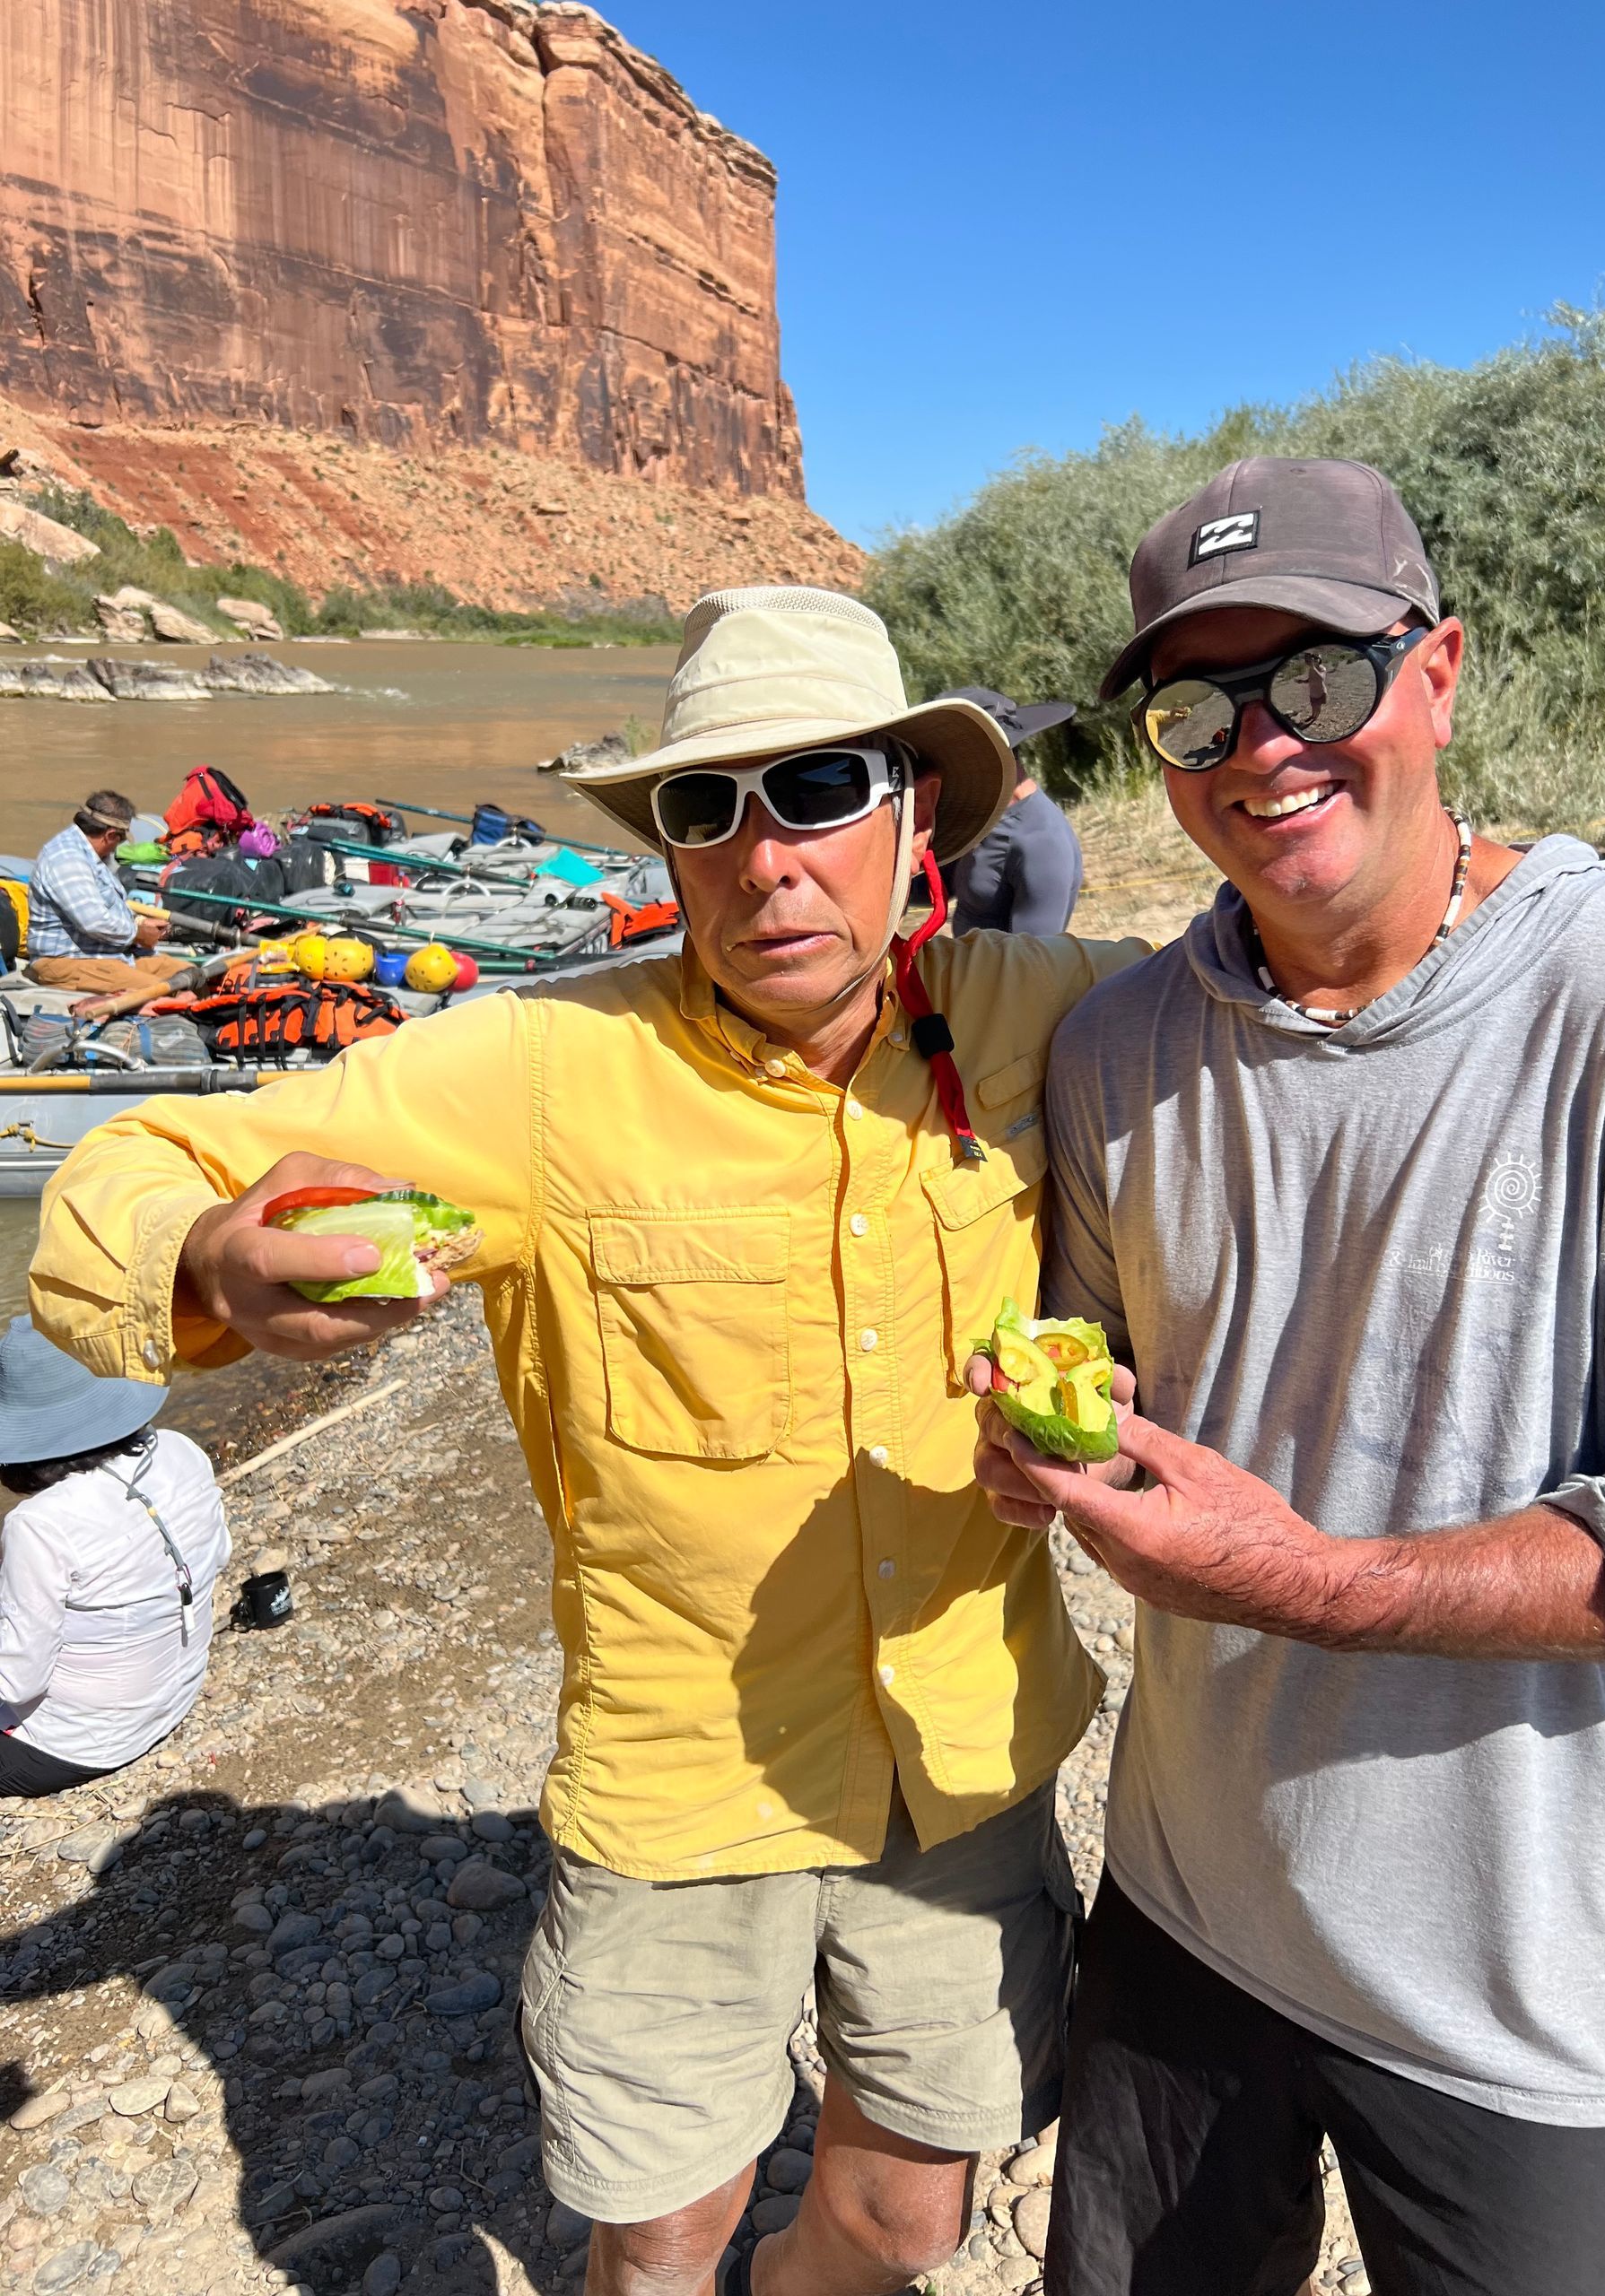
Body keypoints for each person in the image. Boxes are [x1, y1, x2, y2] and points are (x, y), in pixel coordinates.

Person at [30, 586, 1146, 2296]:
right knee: (661, 2232)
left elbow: (1294, 1014)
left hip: (971, 1763)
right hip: (678, 1779)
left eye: (823, 790)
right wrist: (211, 1261)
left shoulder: (1048, 1015)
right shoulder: (545, 1070)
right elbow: (145, 1158)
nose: (767, 858)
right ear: (671, 849)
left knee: (912, 2215)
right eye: (708, 807)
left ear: (918, 814)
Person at [973, 457, 1605, 2296]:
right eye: (1198, 708)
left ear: (1440, 671)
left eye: (1311, 677)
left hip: (1528, 1986)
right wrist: (1048, 1444)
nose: (1260, 747)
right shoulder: (1116, 1045)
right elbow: (1111, 1375)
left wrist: (1300, 1578)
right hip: (1183, 1907)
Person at [0, 1315, 230, 1797]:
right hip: (177, 1692)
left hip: (78, 1745)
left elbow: (15, 1683)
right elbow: (218, 1555)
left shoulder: (39, 1524)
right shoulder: (181, 1450)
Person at [942, 687, 1086, 935]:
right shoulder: (978, 817)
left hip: (991, 974)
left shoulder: (1042, 842)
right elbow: (935, 886)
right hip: (962, 971)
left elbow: (1032, 960)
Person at [26, 788, 187, 1002]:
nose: (117, 848)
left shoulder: (90, 854)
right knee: (163, 991)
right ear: (110, 835)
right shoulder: (66, 859)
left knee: (189, 974)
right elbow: (94, 922)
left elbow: (108, 906)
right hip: (67, 962)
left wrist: (140, 923)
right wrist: (138, 933)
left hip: (107, 955)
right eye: (119, 841)